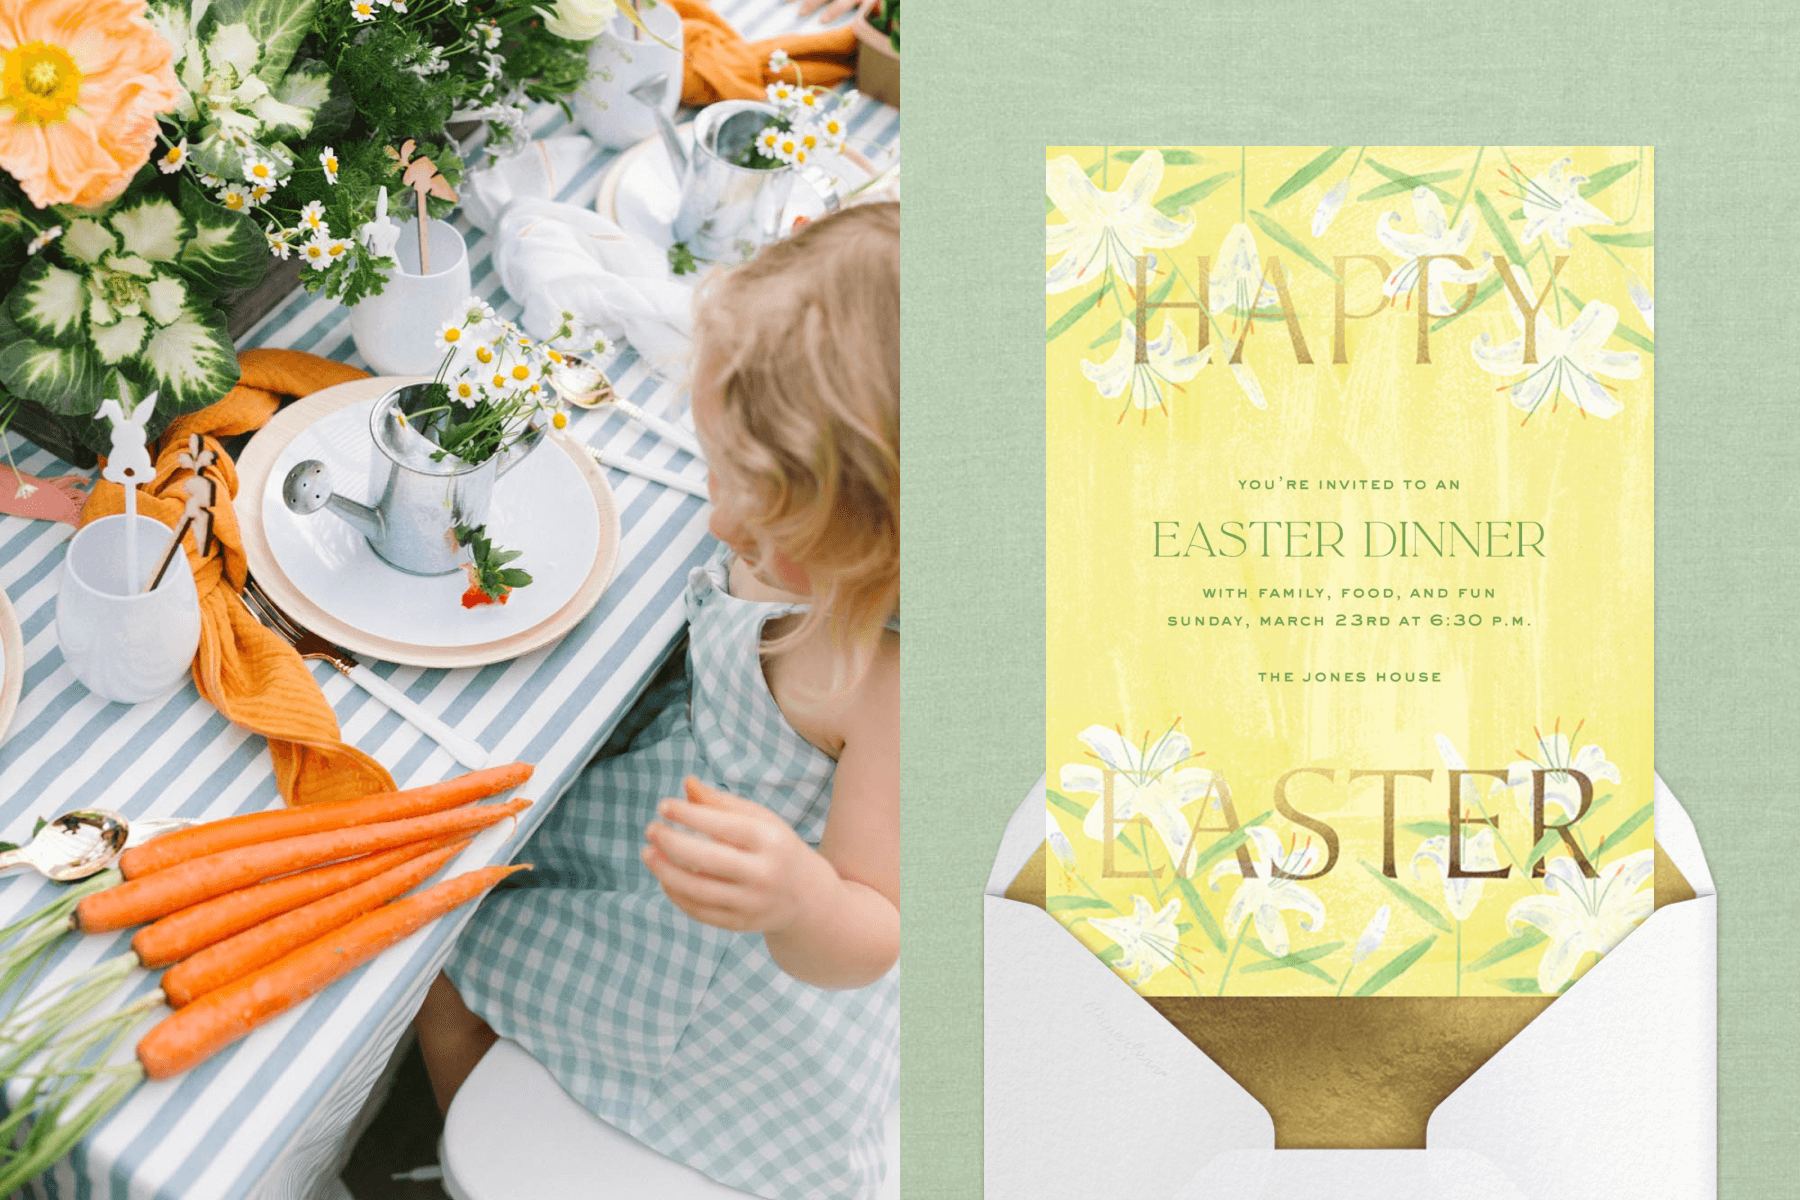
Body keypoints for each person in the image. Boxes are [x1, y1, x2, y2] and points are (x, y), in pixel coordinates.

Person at [416, 201, 900, 1200]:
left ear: (879, 538)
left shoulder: (896, 686)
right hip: (683, 822)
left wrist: (798, 898)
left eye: (767, 524)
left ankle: (491, 1161)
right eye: (720, 470)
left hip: (727, 976)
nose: (721, 518)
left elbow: (874, 930)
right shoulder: (846, 552)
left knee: (439, 974)